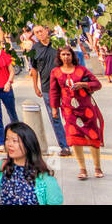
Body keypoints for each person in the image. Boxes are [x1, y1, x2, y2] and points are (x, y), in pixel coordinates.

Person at [50, 45, 105, 180]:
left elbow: (97, 84)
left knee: (92, 136)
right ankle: (82, 169)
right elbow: (54, 91)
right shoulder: (55, 72)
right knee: (74, 139)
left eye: (68, 54)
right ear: (59, 57)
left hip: (87, 109)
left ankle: (97, 167)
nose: (66, 57)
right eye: (63, 54)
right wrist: (54, 108)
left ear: (72, 56)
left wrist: (84, 84)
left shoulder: (82, 70)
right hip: (69, 110)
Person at [27, 24, 72, 156]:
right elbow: (34, 69)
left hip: (64, 85)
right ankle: (64, 146)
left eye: (41, 31)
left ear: (47, 30)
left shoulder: (58, 43)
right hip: (47, 87)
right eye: (36, 32)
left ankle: (74, 139)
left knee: (69, 114)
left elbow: (69, 60)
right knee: (55, 117)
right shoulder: (34, 49)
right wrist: (35, 86)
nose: (39, 34)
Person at [0, 122, 62, 205]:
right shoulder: (3, 166)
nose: (9, 144)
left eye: (14, 140)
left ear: (28, 144)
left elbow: (55, 202)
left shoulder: (44, 178)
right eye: (7, 139)